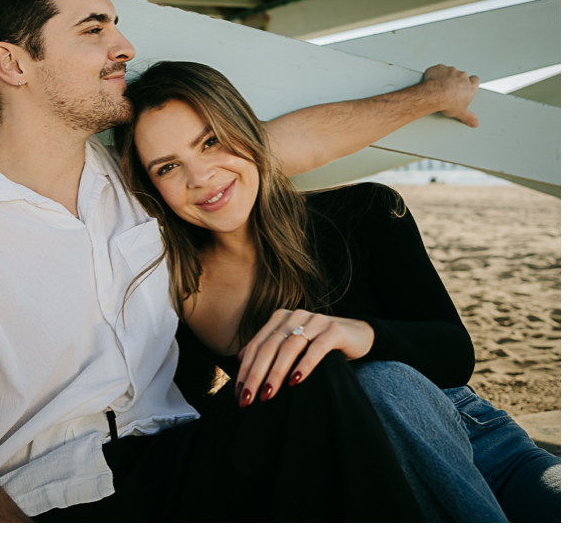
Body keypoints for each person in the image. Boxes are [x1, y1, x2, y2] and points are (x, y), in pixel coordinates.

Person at [0, 0, 489, 522]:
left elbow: (287, 144)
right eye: (94, 28)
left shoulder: (144, 183)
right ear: (13, 63)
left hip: (188, 456)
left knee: (310, 373)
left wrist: (428, 95)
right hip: (53, 501)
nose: (125, 45)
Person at [114, 60, 562, 523]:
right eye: (168, 167)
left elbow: (454, 355)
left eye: (210, 142)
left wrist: (357, 335)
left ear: (248, 131)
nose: (201, 177)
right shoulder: (182, 290)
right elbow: (193, 415)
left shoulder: (365, 211)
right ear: (151, 185)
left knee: (381, 381)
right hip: (354, 474)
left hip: (479, 443)